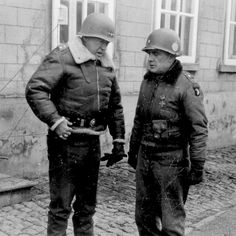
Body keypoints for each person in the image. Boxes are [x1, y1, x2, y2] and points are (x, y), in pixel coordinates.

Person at [25, 13, 126, 236]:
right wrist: (55, 120)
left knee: (87, 208)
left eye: (107, 42)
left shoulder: (106, 65)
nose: (103, 46)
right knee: (61, 207)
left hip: (92, 144)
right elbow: (35, 89)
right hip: (66, 143)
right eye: (100, 40)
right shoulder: (63, 56)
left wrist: (119, 140)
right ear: (85, 37)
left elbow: (115, 105)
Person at [128, 28, 208, 236]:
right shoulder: (147, 82)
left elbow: (198, 128)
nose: (151, 59)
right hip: (145, 159)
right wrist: (133, 152)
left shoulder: (186, 85)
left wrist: (197, 164)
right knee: (144, 218)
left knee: (171, 223)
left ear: (172, 56)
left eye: (156, 54)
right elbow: (139, 119)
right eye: (149, 54)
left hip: (171, 161)